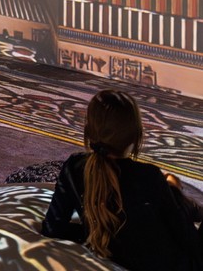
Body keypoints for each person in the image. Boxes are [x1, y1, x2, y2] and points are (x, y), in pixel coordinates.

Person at [41, 89, 203, 271]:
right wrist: (173, 191)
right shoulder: (148, 175)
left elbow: (52, 228)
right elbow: (189, 240)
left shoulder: (74, 167)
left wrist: (93, 233)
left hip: (124, 257)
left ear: (89, 132)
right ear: (137, 136)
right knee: (180, 200)